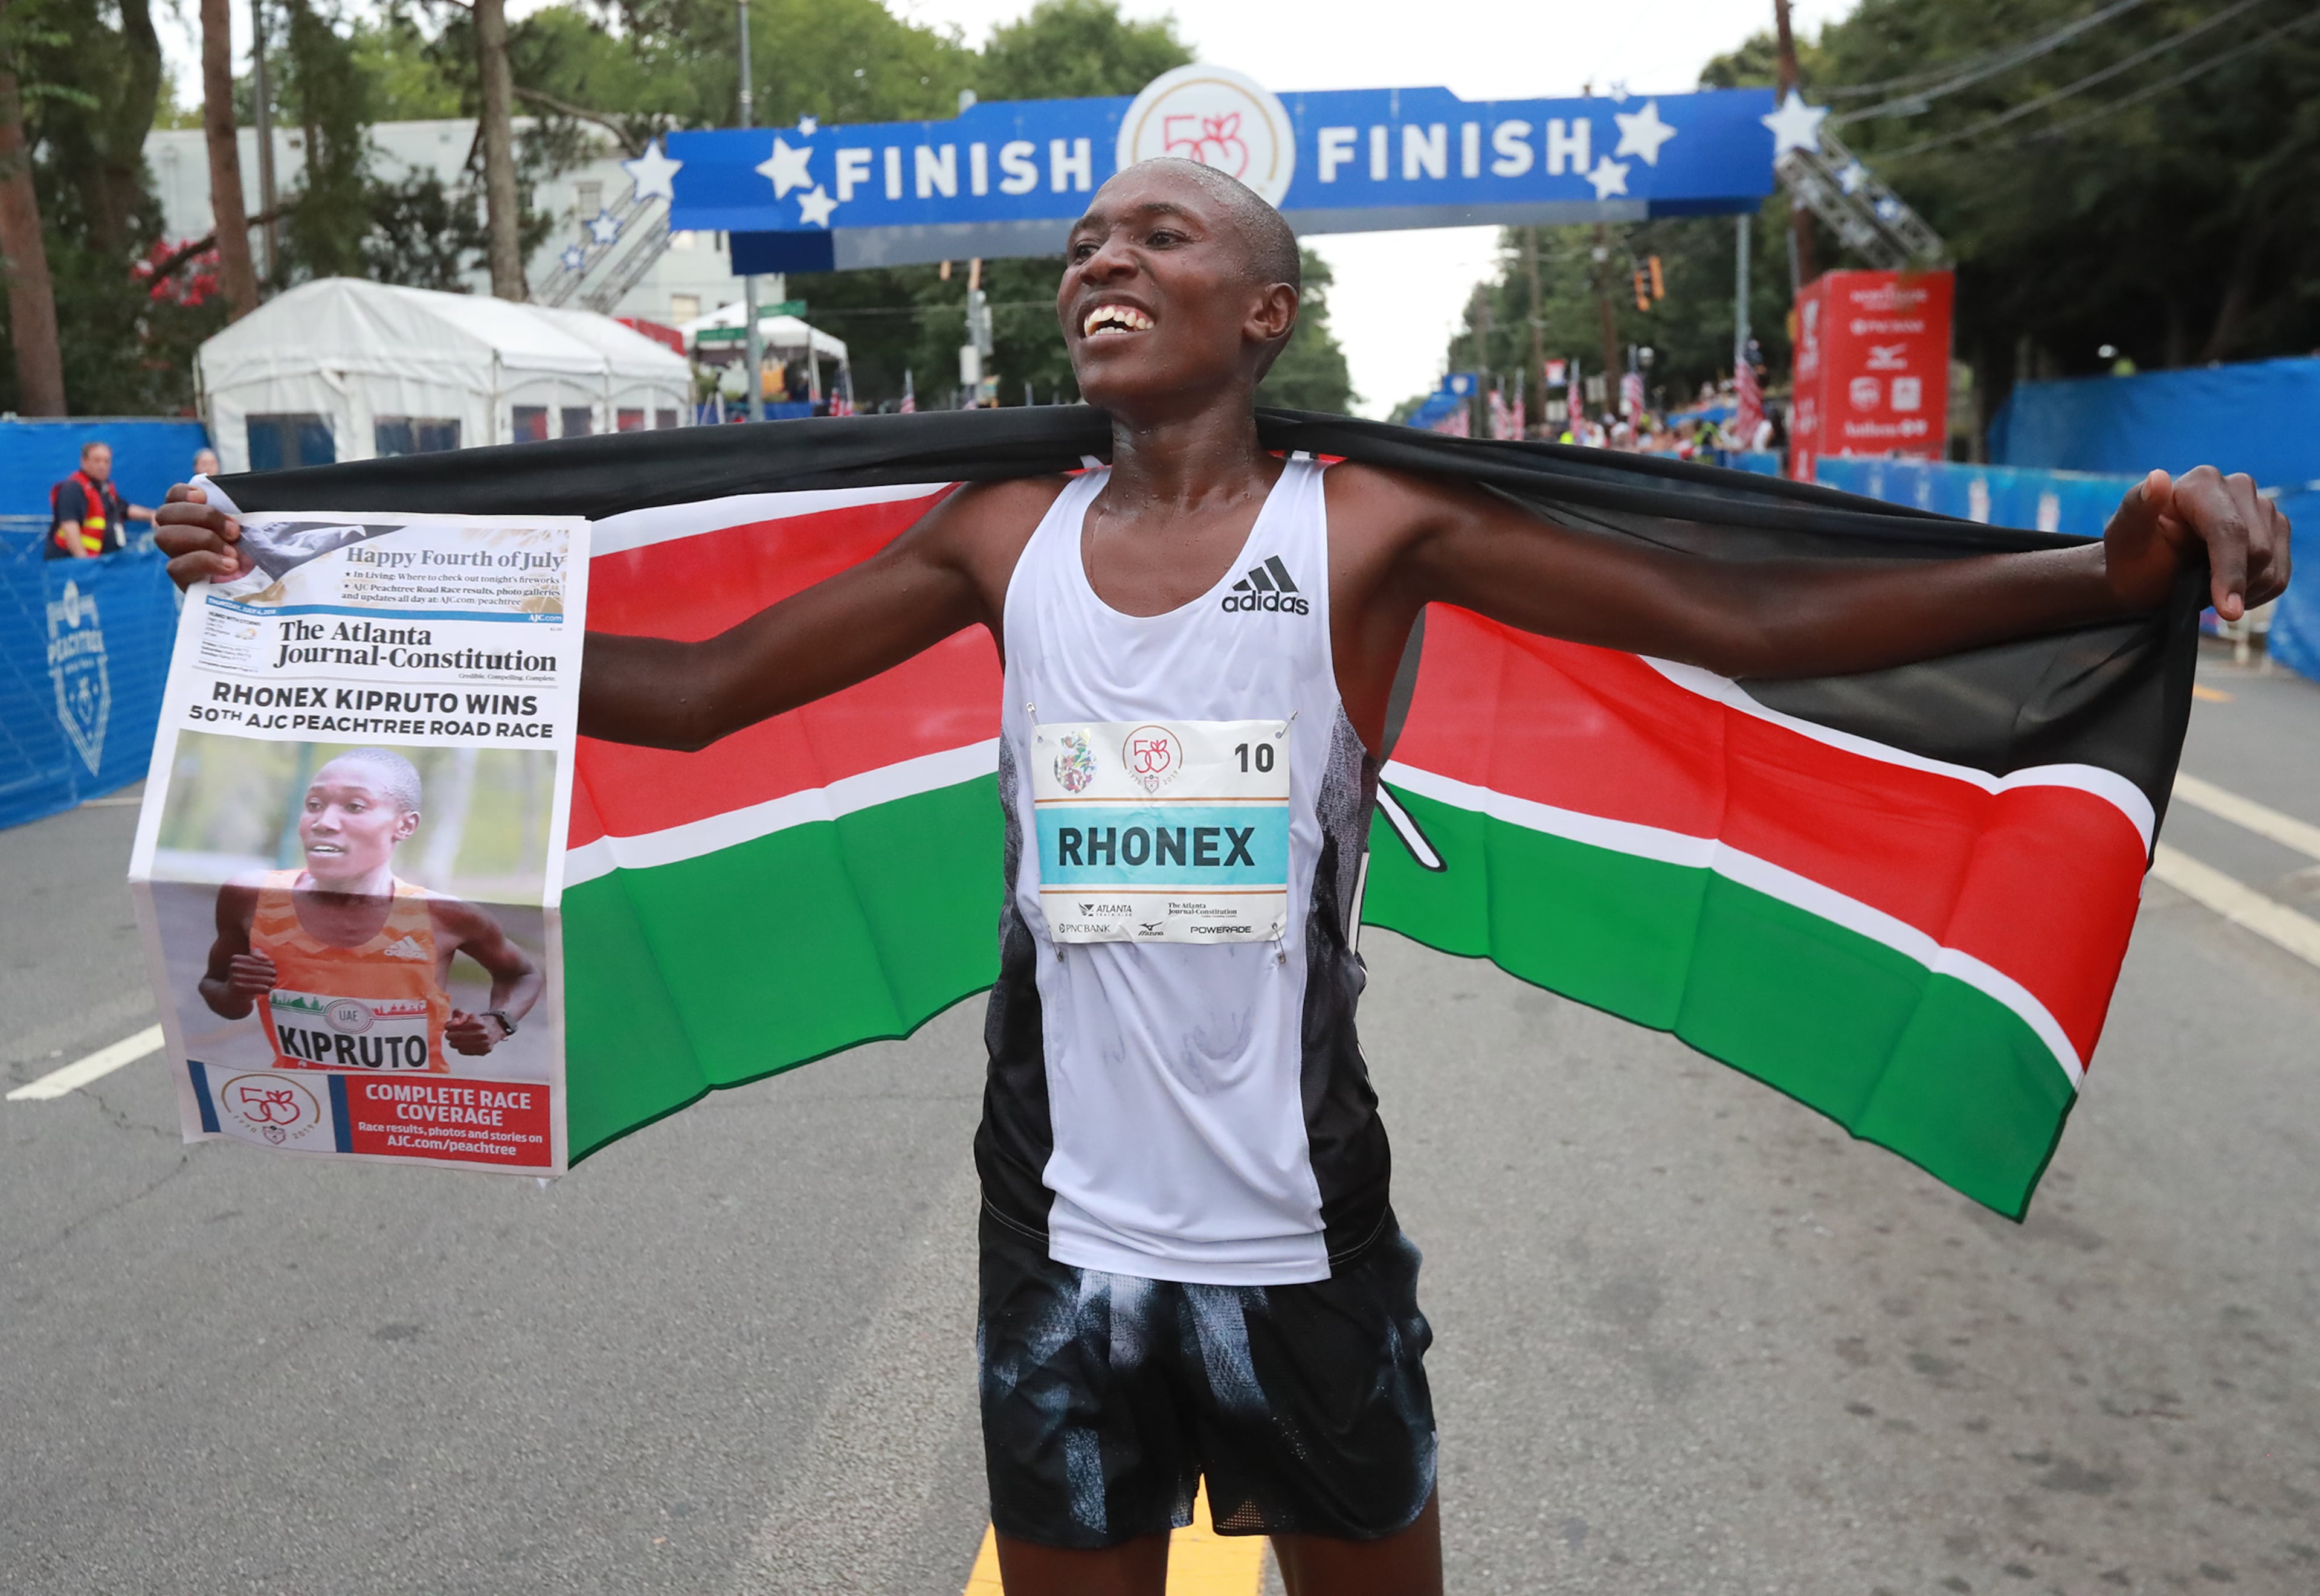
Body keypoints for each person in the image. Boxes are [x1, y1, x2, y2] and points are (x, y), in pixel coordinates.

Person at [157, 158, 2290, 1595]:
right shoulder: (1000, 543)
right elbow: (707, 688)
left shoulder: (1364, 537)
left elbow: (1732, 619)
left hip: (1300, 1240)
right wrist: (336, 597)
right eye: (1088, 242)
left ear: (1261, 308)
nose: (1106, 262)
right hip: (1056, 1242)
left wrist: (2090, 568)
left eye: (1160, 242)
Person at [196, 748, 543, 1073]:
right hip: (308, 1110)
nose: (324, 822)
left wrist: (498, 1022)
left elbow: (523, 974)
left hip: (407, 1114)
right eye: (314, 804)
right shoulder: (252, 897)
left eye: (355, 806)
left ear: (404, 825)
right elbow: (221, 995)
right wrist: (236, 991)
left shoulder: (443, 915)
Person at [47, 440, 153, 559]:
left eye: (106, 461)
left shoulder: (104, 489)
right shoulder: (73, 488)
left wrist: (153, 515)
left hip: (104, 561)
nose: (102, 466)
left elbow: (125, 509)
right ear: (84, 462)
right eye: (97, 461)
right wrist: (85, 565)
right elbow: (70, 527)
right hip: (75, 564)